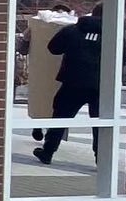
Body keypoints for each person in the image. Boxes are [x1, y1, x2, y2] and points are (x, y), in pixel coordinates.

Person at [35, 9, 103, 165]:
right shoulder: (114, 33)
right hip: (101, 85)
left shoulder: (73, 30)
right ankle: (101, 158)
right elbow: (125, 57)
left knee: (60, 117)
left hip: (73, 82)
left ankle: (48, 151)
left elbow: (53, 48)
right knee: (100, 123)